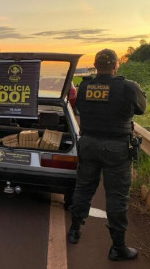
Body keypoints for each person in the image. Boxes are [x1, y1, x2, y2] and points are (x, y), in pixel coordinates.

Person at [67, 48, 147, 261]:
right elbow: (141, 109)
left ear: (95, 65)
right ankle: (118, 247)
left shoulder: (84, 87)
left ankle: (74, 231)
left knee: (83, 188)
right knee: (117, 197)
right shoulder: (128, 87)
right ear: (115, 65)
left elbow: (79, 107)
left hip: (89, 144)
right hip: (116, 149)